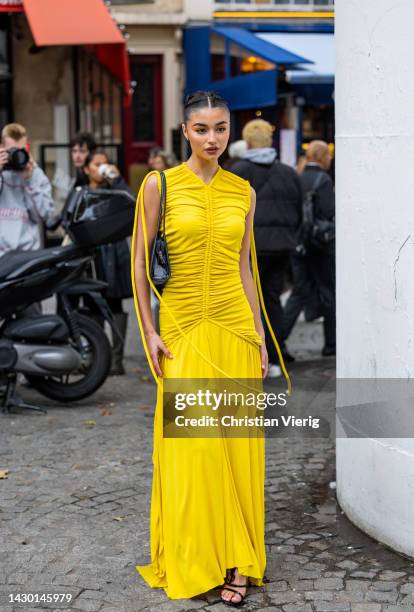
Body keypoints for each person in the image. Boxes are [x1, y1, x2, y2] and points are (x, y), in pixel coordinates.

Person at [131, 91, 290, 605]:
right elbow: (138, 264)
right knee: (192, 449)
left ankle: (236, 562)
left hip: (235, 328)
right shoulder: (159, 185)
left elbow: (247, 267)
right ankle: (192, 554)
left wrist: (261, 334)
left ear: (231, 131)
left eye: (221, 128)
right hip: (180, 327)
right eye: (202, 129)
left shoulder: (244, 191)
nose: (213, 138)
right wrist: (149, 331)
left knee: (237, 450)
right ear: (185, 131)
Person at [230, 119, 302, 377]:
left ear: (247, 143)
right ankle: (276, 353)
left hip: (253, 248)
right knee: (272, 299)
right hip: (282, 247)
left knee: (248, 301)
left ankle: (256, 357)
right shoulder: (289, 172)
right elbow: (298, 211)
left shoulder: (238, 171)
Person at [282, 140, 336, 356]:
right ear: (323, 157)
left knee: (299, 292)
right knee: (328, 291)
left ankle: (278, 338)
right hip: (320, 245)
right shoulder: (323, 179)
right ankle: (331, 344)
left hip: (298, 244)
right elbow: (329, 211)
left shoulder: (297, 177)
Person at [83, 150, 134, 375]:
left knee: (114, 305)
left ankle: (116, 360)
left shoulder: (115, 190)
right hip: (92, 255)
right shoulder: (82, 193)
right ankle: (97, 358)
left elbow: (133, 205)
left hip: (116, 253)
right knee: (93, 304)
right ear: (87, 169)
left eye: (105, 164)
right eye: (97, 164)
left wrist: (117, 179)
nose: (102, 168)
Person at [0, 122, 54, 259]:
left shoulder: (36, 175)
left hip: (28, 255)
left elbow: (44, 215)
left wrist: (30, 181)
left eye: (22, 150)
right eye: (12, 151)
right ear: (2, 149)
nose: (17, 156)